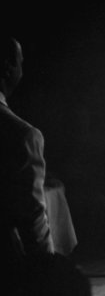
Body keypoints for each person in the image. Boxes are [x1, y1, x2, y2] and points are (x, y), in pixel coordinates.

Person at [0, 36, 54, 267]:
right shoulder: (22, 135)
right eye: (21, 61)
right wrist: (49, 271)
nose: (23, 68)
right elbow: (32, 220)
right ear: (8, 67)